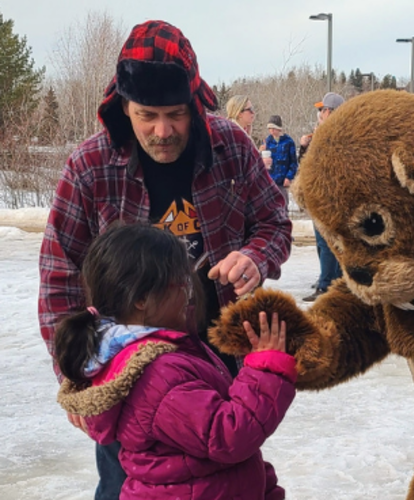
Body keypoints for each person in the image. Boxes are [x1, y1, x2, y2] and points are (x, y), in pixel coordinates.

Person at [38, 20, 291, 500]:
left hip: (219, 357)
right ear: (123, 107)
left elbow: (275, 223)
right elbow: (58, 278)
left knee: (231, 474)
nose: (162, 130)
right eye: (146, 115)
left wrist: (255, 257)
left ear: (196, 103)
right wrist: (73, 373)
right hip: (131, 372)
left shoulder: (231, 146)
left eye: (175, 114)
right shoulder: (89, 166)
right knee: (128, 485)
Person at [56, 223, 296, 500]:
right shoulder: (158, 374)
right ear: (142, 298)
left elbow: (220, 454)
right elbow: (229, 435)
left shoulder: (157, 353)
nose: (187, 290)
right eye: (179, 281)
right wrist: (267, 367)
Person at [300, 93, 345, 302]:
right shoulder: (326, 133)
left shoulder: (334, 134)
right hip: (324, 195)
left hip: (328, 197)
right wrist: (305, 147)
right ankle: (330, 280)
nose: (319, 113)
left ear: (328, 111)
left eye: (321, 110)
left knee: (326, 243)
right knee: (324, 243)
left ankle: (327, 284)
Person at [264, 115, 298, 204]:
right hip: (270, 181)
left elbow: (294, 163)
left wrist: (289, 177)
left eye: (273, 128)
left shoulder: (289, 142)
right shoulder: (267, 141)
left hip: (283, 182)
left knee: (283, 206)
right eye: (270, 129)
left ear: (279, 129)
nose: (271, 131)